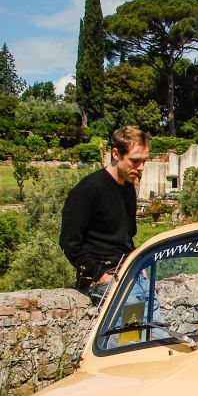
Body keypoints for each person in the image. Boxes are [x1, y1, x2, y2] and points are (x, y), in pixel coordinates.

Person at [60, 125, 150, 295]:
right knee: (135, 319)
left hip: (129, 273)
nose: (141, 167)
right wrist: (100, 275)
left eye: (144, 160)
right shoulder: (89, 189)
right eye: (135, 160)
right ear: (116, 154)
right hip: (101, 282)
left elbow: (125, 237)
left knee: (156, 320)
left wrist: (136, 262)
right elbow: (69, 242)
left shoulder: (129, 188)